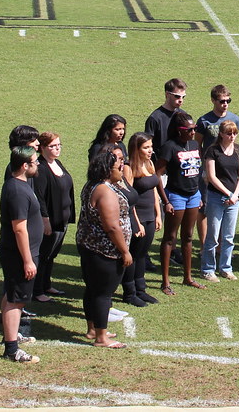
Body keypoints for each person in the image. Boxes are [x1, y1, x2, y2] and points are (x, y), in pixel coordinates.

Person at [76, 149, 133, 348]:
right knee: (102, 293)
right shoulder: (105, 191)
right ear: (107, 170)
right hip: (105, 250)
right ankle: (101, 337)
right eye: (118, 166)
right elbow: (112, 226)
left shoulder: (92, 185)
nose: (122, 169)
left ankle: (93, 329)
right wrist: (124, 251)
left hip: (90, 246)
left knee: (92, 289)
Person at [0, 146, 42, 363]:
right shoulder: (17, 190)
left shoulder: (19, 185)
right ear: (25, 165)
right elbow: (19, 228)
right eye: (35, 161)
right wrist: (27, 260)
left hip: (18, 253)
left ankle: (11, 336)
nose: (38, 164)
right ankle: (12, 350)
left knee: (11, 296)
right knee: (16, 301)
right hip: (19, 255)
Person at [155, 111, 204, 295]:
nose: (193, 132)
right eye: (189, 129)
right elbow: (157, 175)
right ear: (179, 130)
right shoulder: (170, 147)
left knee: (189, 236)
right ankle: (165, 281)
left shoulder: (193, 144)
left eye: (194, 129)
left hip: (193, 195)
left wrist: (198, 194)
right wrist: (165, 200)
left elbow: (196, 170)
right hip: (176, 196)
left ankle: (187, 277)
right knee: (170, 237)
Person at [32, 132, 75, 303]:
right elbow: (40, 196)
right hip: (51, 219)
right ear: (42, 148)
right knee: (44, 254)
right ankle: (37, 290)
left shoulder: (57, 163)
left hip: (62, 218)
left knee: (52, 254)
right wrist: (45, 220)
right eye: (52, 146)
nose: (57, 148)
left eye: (59, 145)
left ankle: (46, 284)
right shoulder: (42, 168)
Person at [201, 120, 239, 282]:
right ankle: (208, 269)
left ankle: (226, 268)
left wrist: (235, 194)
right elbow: (211, 177)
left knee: (228, 236)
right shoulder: (212, 151)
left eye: (234, 133)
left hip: (234, 199)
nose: (232, 136)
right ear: (221, 134)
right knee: (212, 236)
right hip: (216, 197)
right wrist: (228, 193)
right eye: (229, 133)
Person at [123, 132, 160, 306]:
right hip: (138, 217)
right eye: (146, 147)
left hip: (150, 216)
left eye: (151, 147)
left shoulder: (150, 163)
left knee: (142, 254)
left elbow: (154, 190)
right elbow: (128, 197)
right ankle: (129, 292)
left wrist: (158, 214)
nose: (150, 150)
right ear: (136, 149)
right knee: (134, 254)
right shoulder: (129, 168)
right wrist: (136, 222)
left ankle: (141, 289)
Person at [145, 78, 186, 149]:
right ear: (167, 94)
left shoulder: (184, 115)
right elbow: (147, 144)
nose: (181, 100)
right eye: (177, 96)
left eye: (183, 97)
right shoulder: (155, 118)